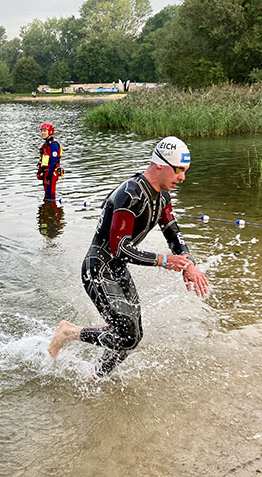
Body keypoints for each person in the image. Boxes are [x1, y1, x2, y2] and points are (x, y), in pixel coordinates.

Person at [48, 136, 209, 376]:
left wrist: (189, 265)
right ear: (160, 165)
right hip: (98, 268)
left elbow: (174, 235)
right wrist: (164, 261)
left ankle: (96, 377)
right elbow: (119, 248)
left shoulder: (162, 197)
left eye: (185, 171)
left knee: (133, 337)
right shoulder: (130, 194)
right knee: (126, 334)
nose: (182, 177)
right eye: (179, 170)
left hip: (117, 270)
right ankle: (69, 333)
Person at [37, 123, 63, 200]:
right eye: (42, 131)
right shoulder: (45, 145)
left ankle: (52, 210)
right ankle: (48, 210)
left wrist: (49, 175)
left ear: (50, 132)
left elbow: (54, 161)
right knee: (47, 195)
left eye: (45, 131)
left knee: (50, 195)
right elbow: (42, 160)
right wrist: (40, 172)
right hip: (46, 173)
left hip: (51, 173)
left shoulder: (53, 145)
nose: (42, 133)